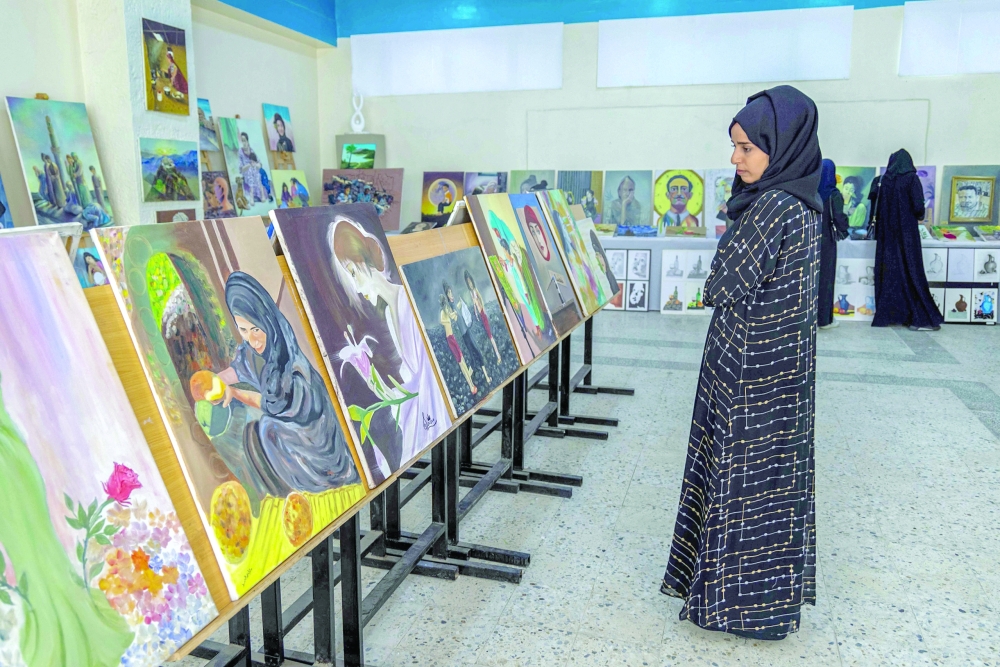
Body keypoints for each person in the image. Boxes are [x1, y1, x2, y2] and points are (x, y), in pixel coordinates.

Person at [661, 85, 822, 641]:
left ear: (780, 148)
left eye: (747, 148)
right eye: (734, 147)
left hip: (748, 372)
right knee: (770, 493)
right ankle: (765, 609)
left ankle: (729, 607)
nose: (735, 159)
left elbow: (721, 283)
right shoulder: (804, 203)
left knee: (737, 485)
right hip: (783, 374)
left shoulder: (772, 206)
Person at [208, 271, 362, 495]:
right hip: (292, 433)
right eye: (243, 330)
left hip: (317, 439)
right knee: (253, 432)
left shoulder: (289, 359)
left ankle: (321, 486)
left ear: (267, 321)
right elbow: (238, 370)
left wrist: (235, 393)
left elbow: (275, 406)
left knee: (267, 428)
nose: (252, 339)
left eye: (256, 329)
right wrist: (215, 381)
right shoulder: (251, 349)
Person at [328, 215, 450, 475]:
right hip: (418, 402)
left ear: (365, 261)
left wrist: (380, 388)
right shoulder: (389, 310)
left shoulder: (404, 301)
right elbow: (409, 376)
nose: (357, 287)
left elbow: (417, 376)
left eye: (353, 272)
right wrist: (376, 384)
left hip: (429, 404)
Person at [871, 149, 943, 330]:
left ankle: (890, 316)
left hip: (886, 238)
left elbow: (875, 209)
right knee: (912, 273)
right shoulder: (911, 179)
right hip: (907, 236)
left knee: (889, 275)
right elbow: (919, 208)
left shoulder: (882, 181)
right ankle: (919, 318)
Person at [817, 159, 850, 329]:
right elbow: (839, 218)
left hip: (809, 240)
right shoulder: (833, 194)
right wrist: (845, 228)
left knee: (810, 281)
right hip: (827, 242)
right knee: (826, 279)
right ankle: (824, 320)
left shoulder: (810, 192)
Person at [465, 269, 502, 363]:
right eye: (468, 282)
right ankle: (495, 355)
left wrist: (483, 308)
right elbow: (474, 305)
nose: (470, 284)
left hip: (482, 314)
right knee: (487, 336)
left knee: (490, 336)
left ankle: (498, 356)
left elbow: (480, 298)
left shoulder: (475, 290)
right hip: (479, 316)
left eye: (470, 281)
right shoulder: (470, 292)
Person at [237, 132, 269, 203]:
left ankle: (262, 195)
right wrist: (249, 165)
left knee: (260, 174)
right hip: (247, 172)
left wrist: (257, 165)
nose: (244, 143)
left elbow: (259, 162)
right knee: (252, 178)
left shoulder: (251, 150)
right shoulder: (240, 152)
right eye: (242, 141)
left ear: (247, 141)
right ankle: (253, 197)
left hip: (254, 170)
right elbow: (241, 169)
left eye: (244, 140)